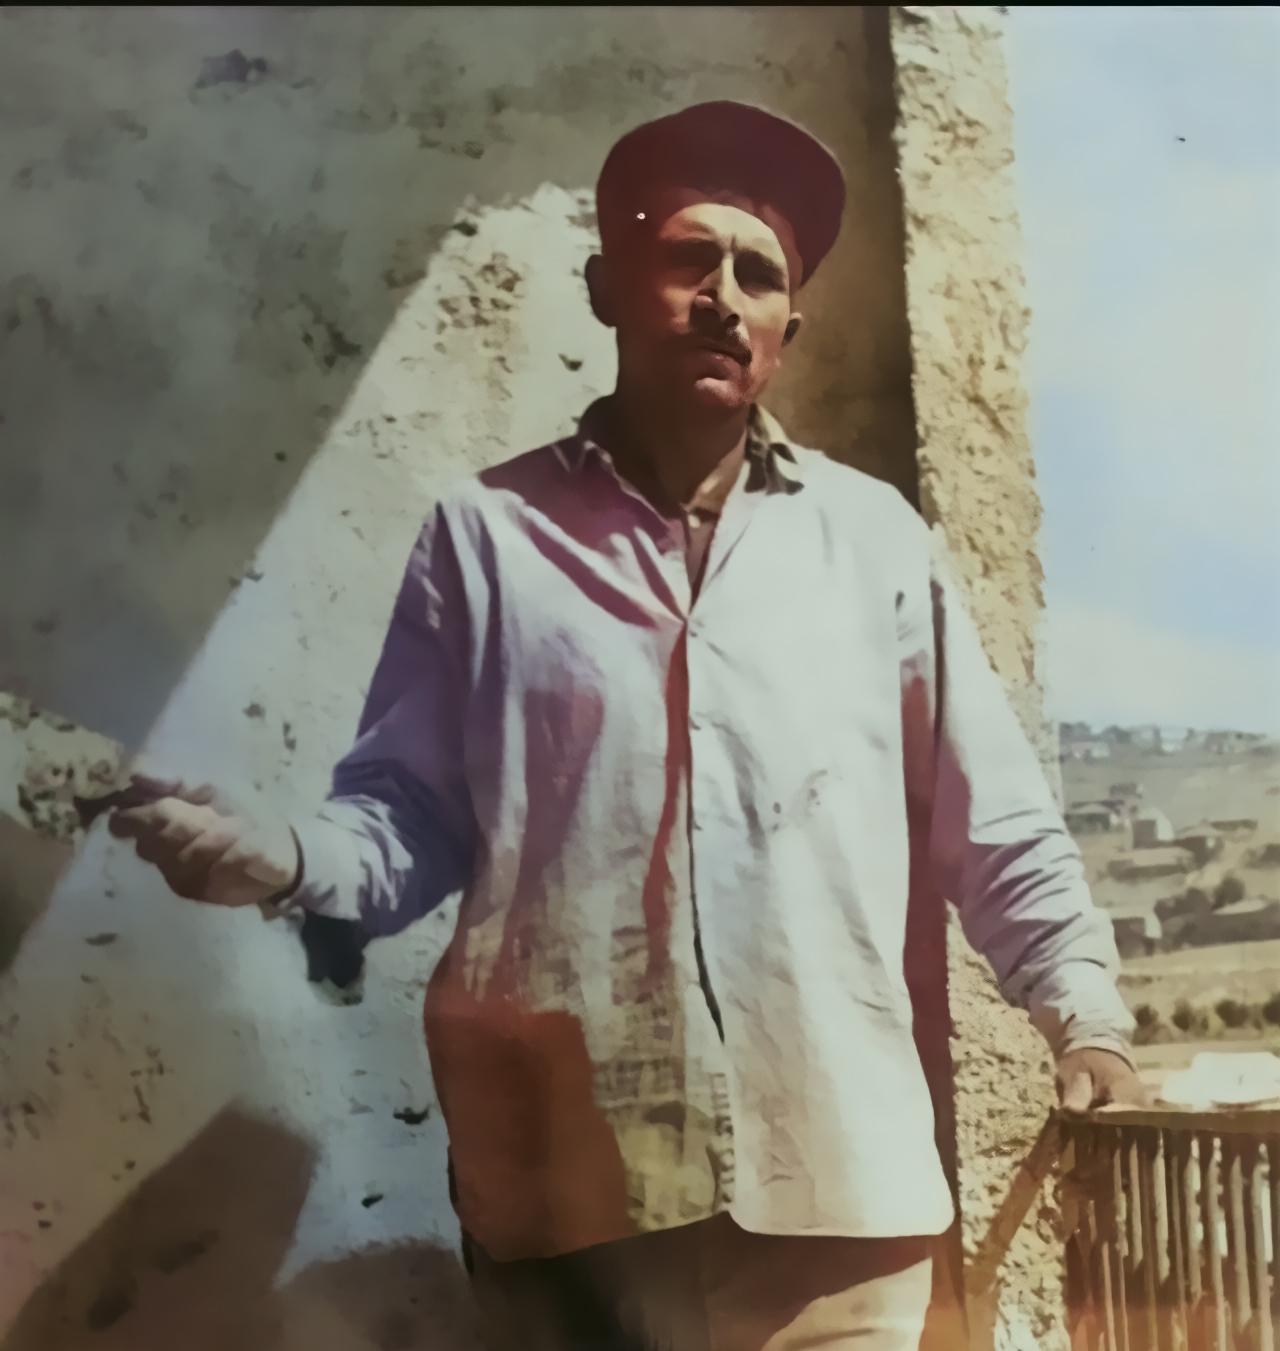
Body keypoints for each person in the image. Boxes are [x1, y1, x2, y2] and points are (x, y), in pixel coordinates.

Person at [107, 100, 1145, 1350]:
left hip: (834, 1199)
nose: (721, 299)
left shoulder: (873, 544)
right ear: (607, 288)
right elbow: (402, 820)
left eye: (756, 275)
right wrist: (280, 857)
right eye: (685, 259)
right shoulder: (485, 539)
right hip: (571, 1212)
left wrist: (1085, 1022)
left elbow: (998, 826)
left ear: (789, 327)